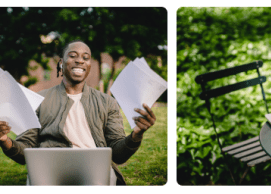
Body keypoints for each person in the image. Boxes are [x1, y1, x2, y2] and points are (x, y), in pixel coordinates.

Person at [0, 40, 156, 185]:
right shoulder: (39, 99)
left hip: (96, 173)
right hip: (48, 173)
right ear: (61, 63)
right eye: (73, 56)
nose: (80, 60)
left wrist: (136, 134)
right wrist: (4, 139)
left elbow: (118, 154)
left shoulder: (107, 102)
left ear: (89, 65)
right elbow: (24, 152)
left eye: (85, 58)